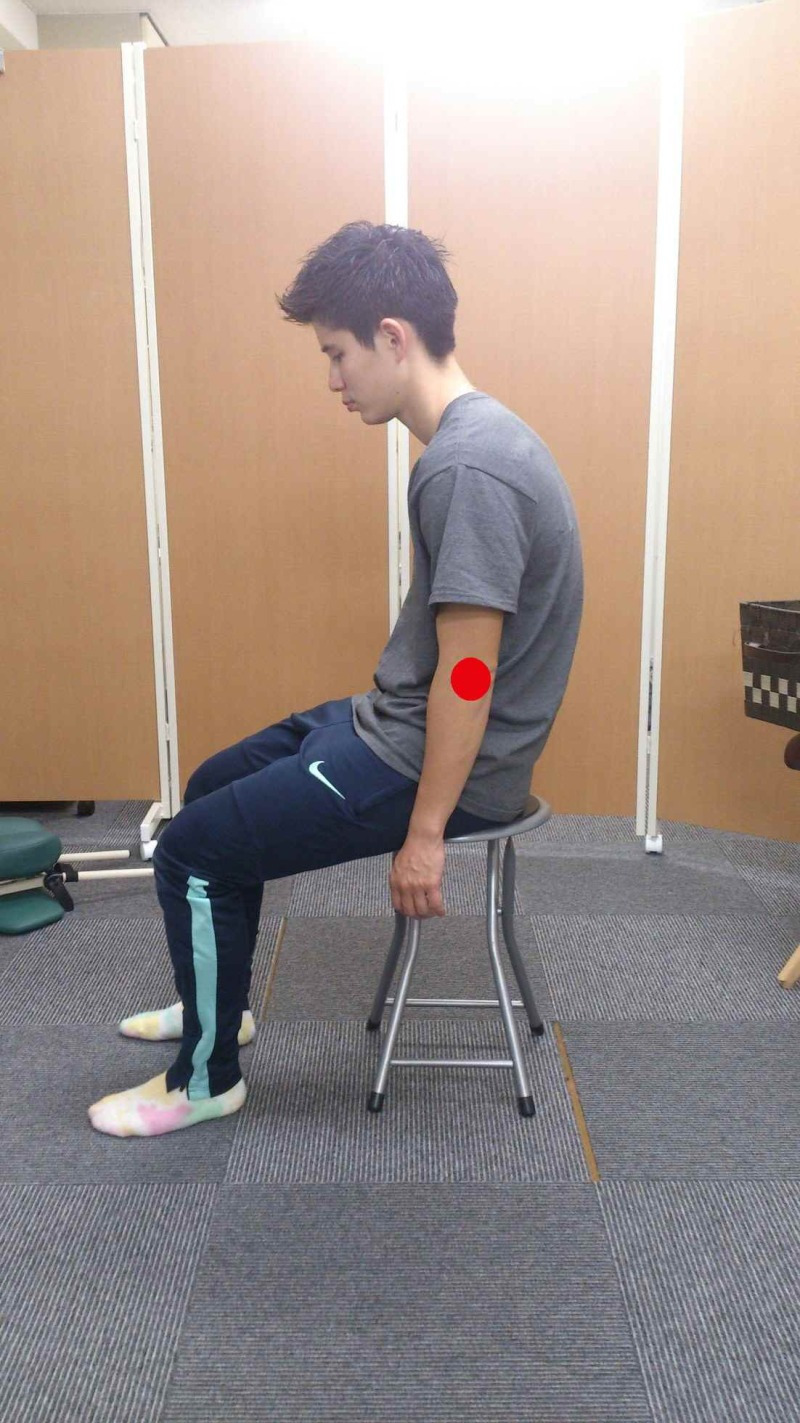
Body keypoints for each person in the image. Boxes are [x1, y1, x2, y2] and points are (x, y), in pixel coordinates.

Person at [88, 221, 583, 1138]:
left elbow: (469, 673)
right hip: (397, 724)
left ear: (393, 337)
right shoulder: (475, 440)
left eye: (337, 354)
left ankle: (205, 1078)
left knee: (191, 849)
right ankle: (220, 1005)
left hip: (436, 762)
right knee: (212, 784)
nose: (333, 379)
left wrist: (426, 834)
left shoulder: (469, 467)